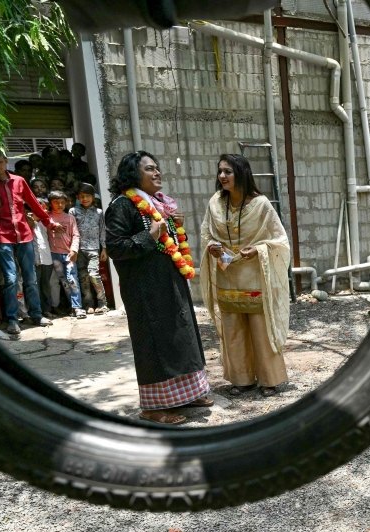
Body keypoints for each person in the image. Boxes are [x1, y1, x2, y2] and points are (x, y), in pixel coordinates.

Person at [105, 151, 212, 425]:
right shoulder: (122, 205)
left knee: (180, 333)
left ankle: (189, 392)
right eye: (149, 169)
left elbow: (169, 242)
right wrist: (150, 234)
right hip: (145, 289)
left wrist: (176, 229)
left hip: (169, 280)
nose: (157, 173)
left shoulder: (157, 203)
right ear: (133, 174)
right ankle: (153, 408)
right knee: (155, 342)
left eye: (157, 168)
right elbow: (116, 248)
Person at [200, 154, 290, 397]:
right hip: (227, 274)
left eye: (227, 171)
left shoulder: (261, 204)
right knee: (233, 330)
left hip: (255, 275)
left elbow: (280, 240)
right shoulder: (216, 203)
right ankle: (242, 379)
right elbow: (207, 234)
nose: (222, 176)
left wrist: (259, 249)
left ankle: (270, 380)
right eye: (220, 171)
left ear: (241, 173)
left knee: (261, 330)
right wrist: (213, 247)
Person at [0, 146, 52, 335]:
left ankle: (36, 314)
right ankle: (12, 318)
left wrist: (48, 221)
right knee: (10, 278)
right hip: (0, 234)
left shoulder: (19, 181)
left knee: (30, 276)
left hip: (24, 233)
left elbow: (33, 203)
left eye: (0, 162)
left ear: (5, 162)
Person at [46, 191, 85, 319]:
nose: (60, 205)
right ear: (51, 203)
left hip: (68, 254)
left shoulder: (70, 218)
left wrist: (74, 250)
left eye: (63, 202)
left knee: (72, 280)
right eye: (56, 202)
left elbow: (76, 235)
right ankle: (72, 306)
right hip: (54, 254)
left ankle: (77, 307)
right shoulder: (47, 218)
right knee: (64, 282)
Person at [72, 184, 107, 314]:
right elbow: (72, 230)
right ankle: (88, 304)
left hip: (93, 250)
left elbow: (102, 231)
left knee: (94, 275)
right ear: (77, 198)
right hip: (79, 250)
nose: (85, 199)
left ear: (93, 197)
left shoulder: (98, 213)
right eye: (81, 196)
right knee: (83, 277)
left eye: (87, 196)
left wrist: (104, 249)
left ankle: (102, 302)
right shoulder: (73, 211)